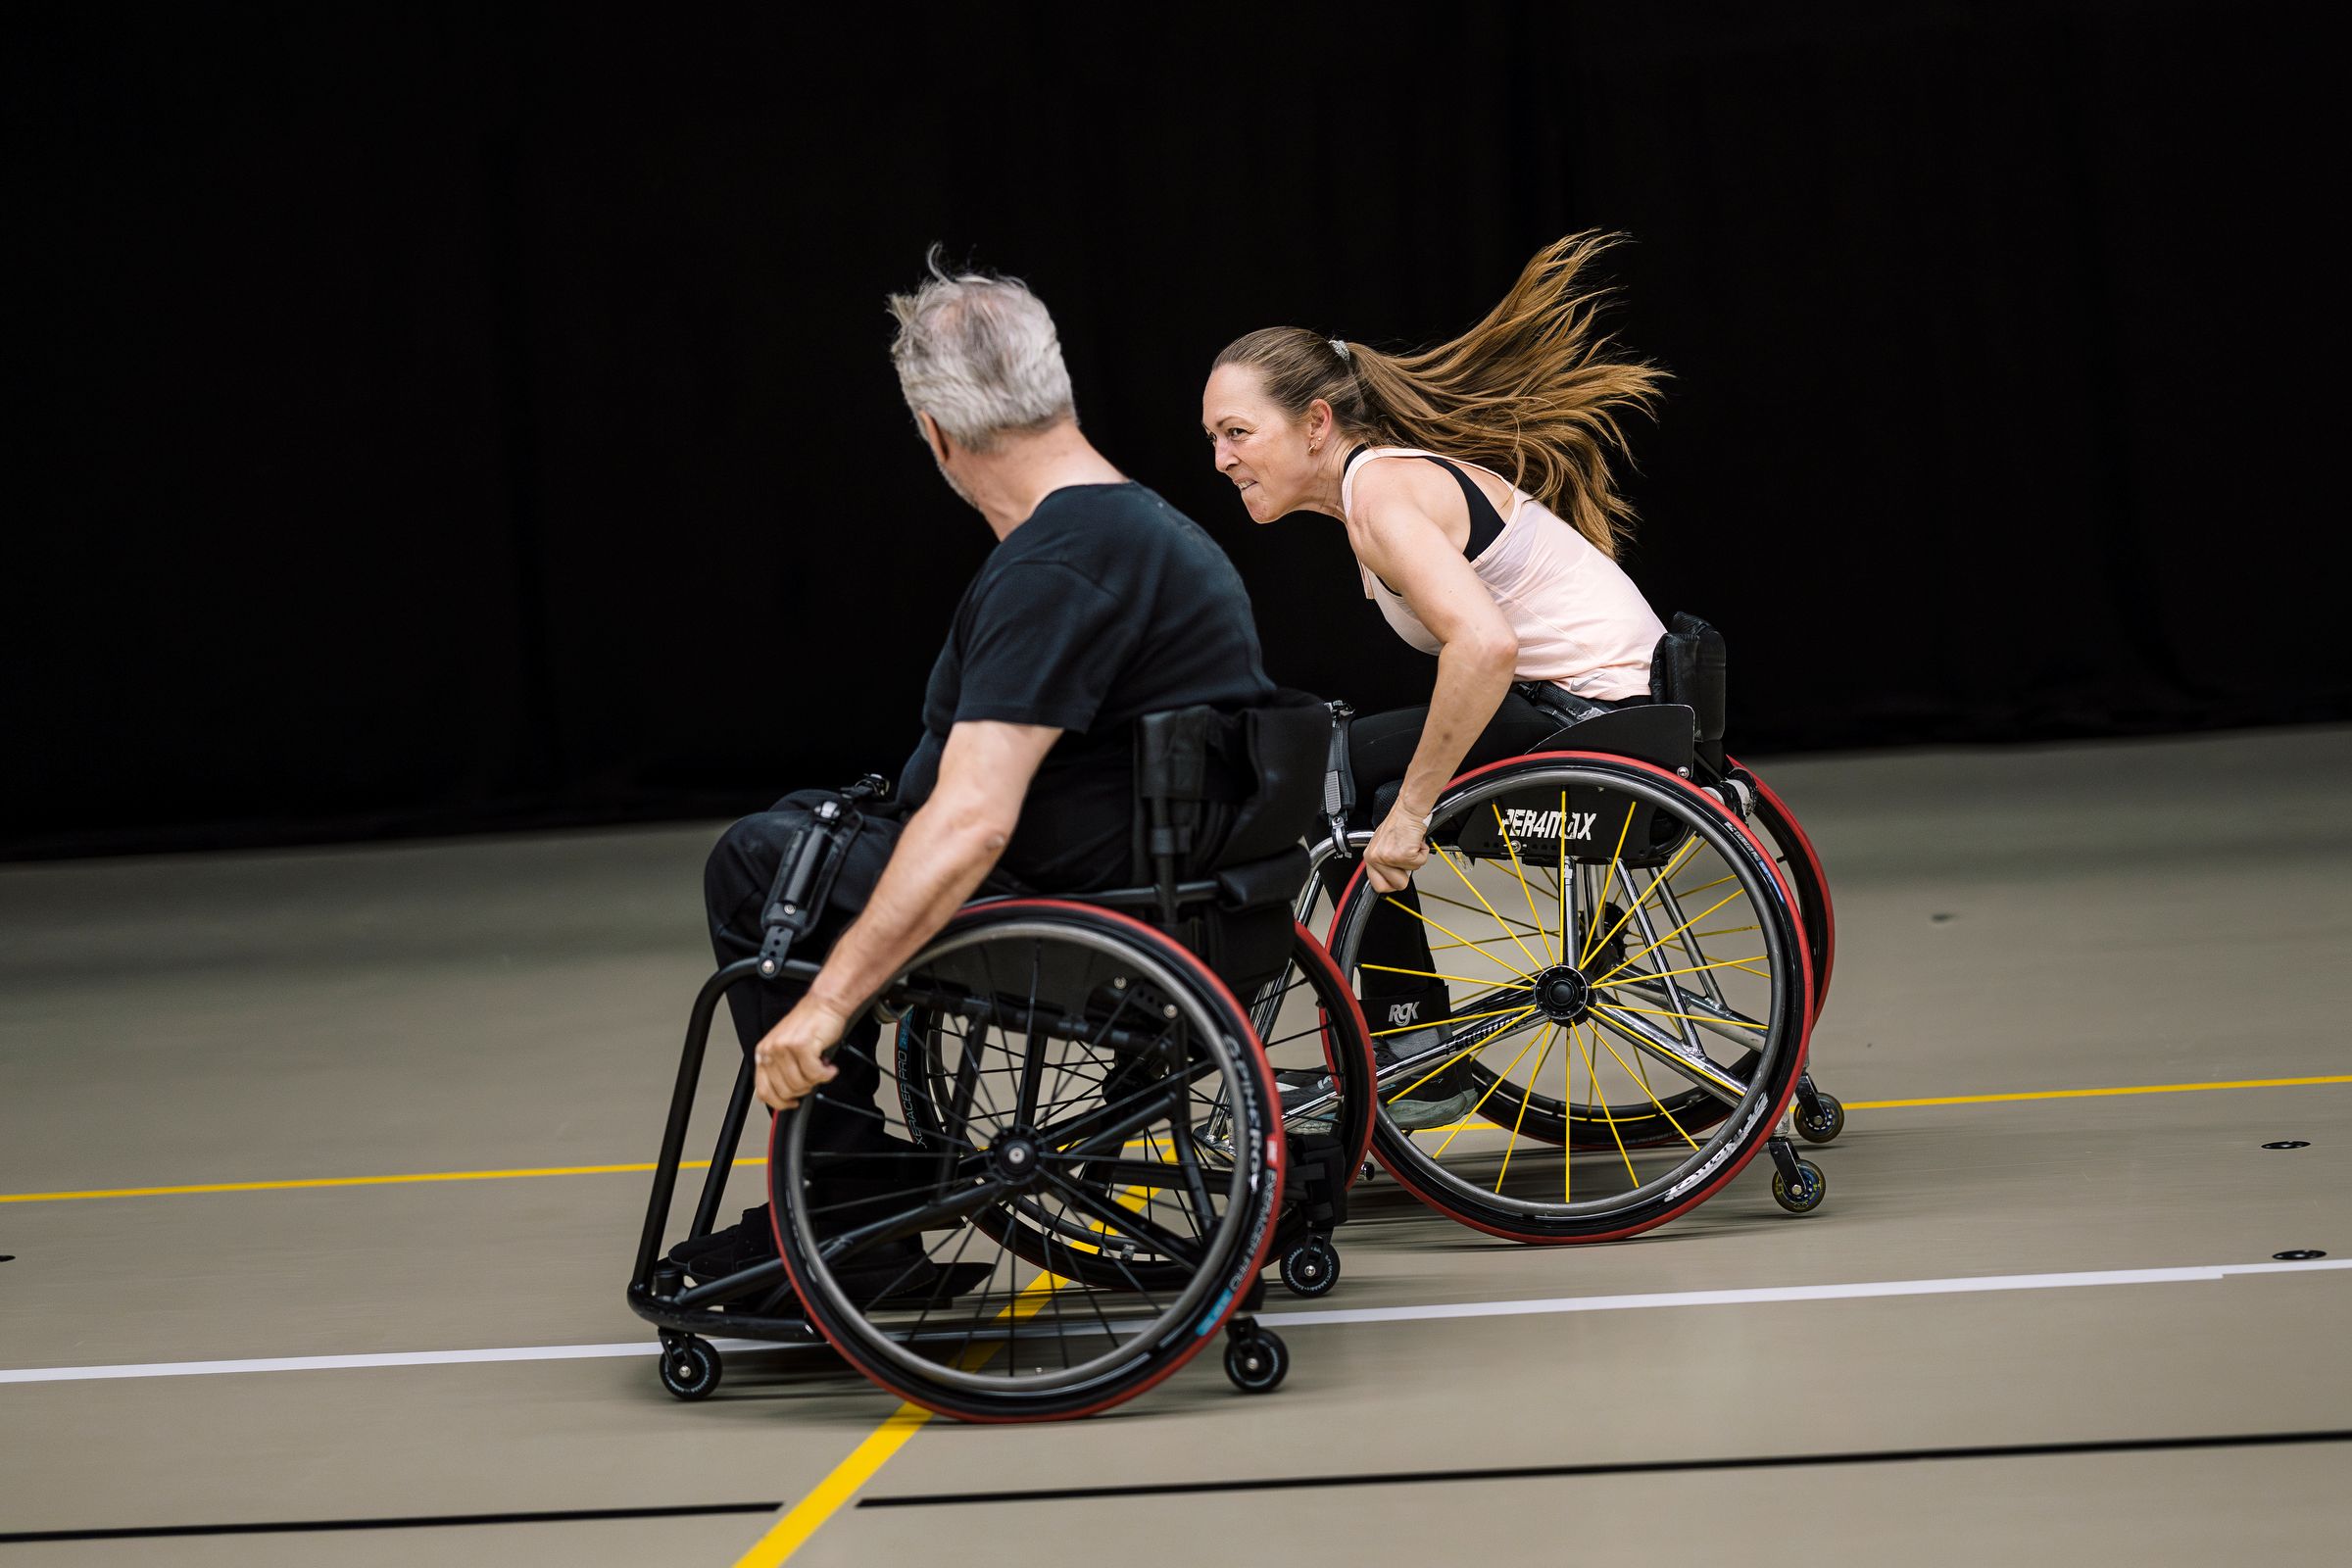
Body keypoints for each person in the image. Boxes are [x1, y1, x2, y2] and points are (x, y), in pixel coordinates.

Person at [678, 253, 1275, 1287]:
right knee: (808, 828)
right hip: (1178, 895)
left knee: (759, 864)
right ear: (1057, 388)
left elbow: (972, 823)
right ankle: (855, 1198)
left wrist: (826, 1008)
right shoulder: (1148, 526)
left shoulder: (1058, 566)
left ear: (937, 433)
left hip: (1081, 918)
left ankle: (850, 1214)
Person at [1200, 231, 1669, 1129]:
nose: (1221, 459)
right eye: (1214, 438)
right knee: (1339, 769)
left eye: (1237, 433)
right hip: (1613, 706)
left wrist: (1411, 812)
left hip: (1598, 720)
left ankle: (1411, 1049)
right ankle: (1406, 1036)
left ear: (1315, 424)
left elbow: (1484, 648)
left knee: (1327, 777)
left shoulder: (1382, 496)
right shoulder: (1381, 488)